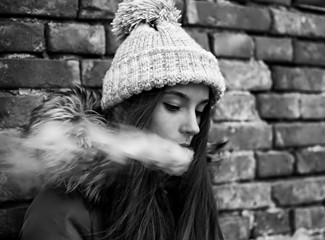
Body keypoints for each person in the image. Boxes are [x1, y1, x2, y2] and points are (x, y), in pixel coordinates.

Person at [19, 0, 226, 239]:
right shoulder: (64, 210)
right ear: (127, 111)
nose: (193, 127)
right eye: (173, 106)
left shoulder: (185, 193)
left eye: (200, 111)